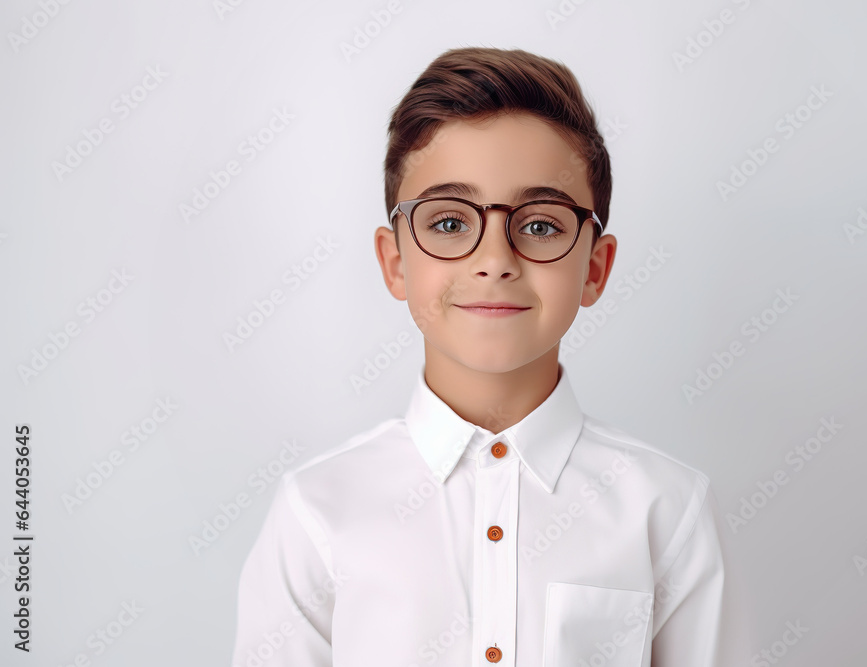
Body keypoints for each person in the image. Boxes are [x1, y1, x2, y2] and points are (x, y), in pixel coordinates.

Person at [231, 46, 733, 666]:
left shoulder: (667, 509)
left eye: (541, 224)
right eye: (448, 222)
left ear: (595, 269)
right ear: (395, 262)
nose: (494, 258)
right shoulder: (317, 510)